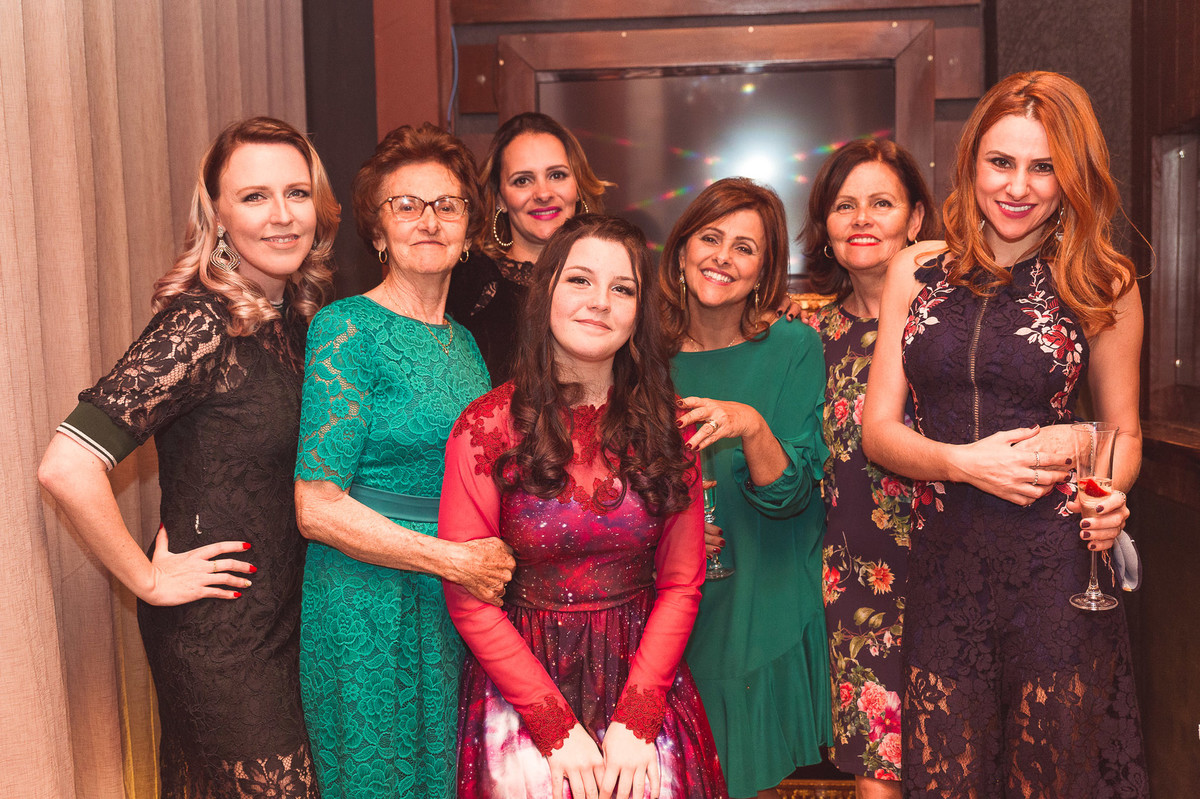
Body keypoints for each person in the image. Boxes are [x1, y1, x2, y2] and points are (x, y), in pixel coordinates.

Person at [862, 71, 1147, 797]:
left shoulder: (1102, 280)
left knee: (1052, 779)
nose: (1018, 186)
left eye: (1044, 166)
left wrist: (1110, 494)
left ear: (1072, 175)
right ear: (971, 163)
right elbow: (878, 433)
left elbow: (1121, 431)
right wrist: (961, 463)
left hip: (1056, 573)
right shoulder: (915, 270)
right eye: (1001, 161)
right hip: (945, 570)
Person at [38, 117, 338, 798]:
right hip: (220, 635)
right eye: (255, 196)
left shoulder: (295, 320)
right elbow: (66, 463)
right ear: (219, 216)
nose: (283, 215)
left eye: (297, 192)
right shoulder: (202, 322)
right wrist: (147, 579)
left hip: (285, 623)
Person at [440, 215, 727, 799]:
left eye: (622, 289)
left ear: (639, 312)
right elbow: (469, 599)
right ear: (546, 291)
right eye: (580, 281)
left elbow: (681, 582)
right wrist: (552, 726)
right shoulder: (484, 427)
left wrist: (638, 718)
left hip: (641, 677)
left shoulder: (672, 429)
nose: (600, 303)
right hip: (523, 678)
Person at [292, 123, 516, 799]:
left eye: (446, 205)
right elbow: (315, 506)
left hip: (450, 599)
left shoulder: (466, 347)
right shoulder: (346, 328)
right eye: (406, 205)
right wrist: (454, 560)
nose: (429, 220)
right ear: (378, 230)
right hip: (364, 601)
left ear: (469, 229)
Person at [660, 177, 831, 799]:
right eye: (710, 238)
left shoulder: (792, 347)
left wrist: (751, 425)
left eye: (745, 248)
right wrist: (667, 530)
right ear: (680, 250)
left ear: (765, 271)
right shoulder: (640, 353)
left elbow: (791, 496)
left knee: (743, 776)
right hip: (669, 601)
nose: (722, 258)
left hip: (765, 590)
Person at [799, 139, 936, 797]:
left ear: (914, 220)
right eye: (844, 204)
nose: (862, 218)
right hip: (849, 582)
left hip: (948, 568)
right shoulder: (800, 335)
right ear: (823, 226)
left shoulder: (953, 326)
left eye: (881, 203)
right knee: (874, 777)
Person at [446, 112, 612, 385]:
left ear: (578, 186)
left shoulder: (617, 280)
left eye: (557, 175)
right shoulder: (468, 281)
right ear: (500, 198)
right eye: (523, 180)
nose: (543, 193)